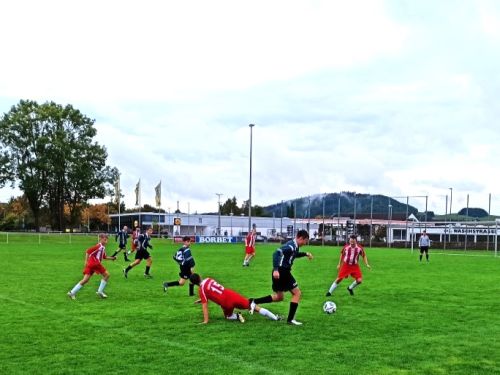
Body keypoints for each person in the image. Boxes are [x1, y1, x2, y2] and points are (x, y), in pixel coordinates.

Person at [249, 229, 313, 325]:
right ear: (301, 238)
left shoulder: (294, 246)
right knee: (297, 293)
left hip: (281, 272)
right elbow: (276, 253)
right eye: (305, 241)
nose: (305, 243)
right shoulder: (291, 246)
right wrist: (275, 269)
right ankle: (290, 320)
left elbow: (294, 255)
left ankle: (253, 301)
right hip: (282, 271)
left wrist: (305, 254)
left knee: (279, 297)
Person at [189, 273, 282, 324]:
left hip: (225, 303)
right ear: (200, 276)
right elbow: (213, 291)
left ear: (194, 284)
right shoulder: (208, 279)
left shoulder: (201, 290)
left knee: (228, 317)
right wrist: (202, 298)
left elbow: (205, 306)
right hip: (231, 294)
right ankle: (275, 317)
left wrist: (206, 321)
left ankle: (237, 316)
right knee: (252, 306)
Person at [67, 233, 116, 300]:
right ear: (100, 239)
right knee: (107, 275)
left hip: (91, 264)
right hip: (95, 264)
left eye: (107, 240)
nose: (106, 241)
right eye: (105, 240)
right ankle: (100, 291)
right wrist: (85, 261)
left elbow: (104, 257)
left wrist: (112, 258)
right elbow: (88, 251)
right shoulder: (98, 246)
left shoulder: (102, 247)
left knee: (85, 280)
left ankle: (72, 292)